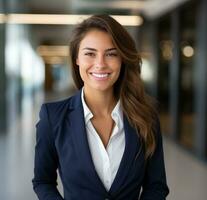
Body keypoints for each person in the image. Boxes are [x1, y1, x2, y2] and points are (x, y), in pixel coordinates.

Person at [32, 14, 169, 200]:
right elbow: (43, 181)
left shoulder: (146, 117)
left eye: (111, 54)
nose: (100, 64)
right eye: (90, 53)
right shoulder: (53, 117)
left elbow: (156, 186)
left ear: (122, 59)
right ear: (76, 59)